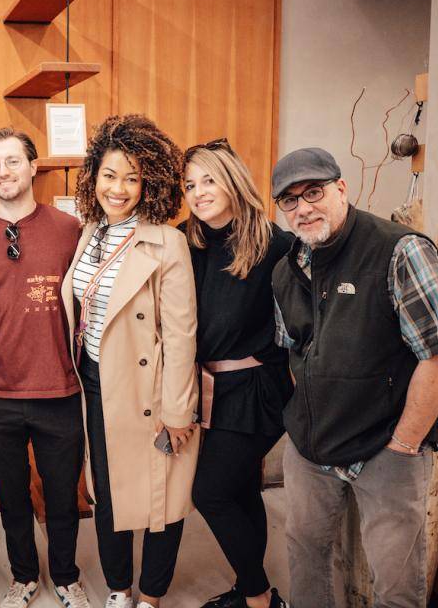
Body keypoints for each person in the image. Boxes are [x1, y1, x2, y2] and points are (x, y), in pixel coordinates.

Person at [270, 147, 438, 608]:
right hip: (312, 445)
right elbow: (297, 356)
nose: (303, 208)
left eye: (313, 192)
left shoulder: (401, 250)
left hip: (387, 447)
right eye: (290, 201)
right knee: (307, 558)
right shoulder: (285, 271)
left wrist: (403, 445)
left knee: (395, 582)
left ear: (341, 189)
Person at [61, 114, 199, 608]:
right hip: (96, 383)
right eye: (109, 175)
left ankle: (152, 595)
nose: (118, 189)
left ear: (151, 182)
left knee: (163, 497)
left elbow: (182, 333)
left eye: (132, 177)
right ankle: (119, 589)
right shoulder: (90, 233)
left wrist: (178, 409)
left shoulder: (167, 242)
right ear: (93, 177)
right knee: (108, 492)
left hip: (151, 390)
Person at [0, 127, 89, 608]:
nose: (3, 172)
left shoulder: (69, 229)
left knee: (61, 496)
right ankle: (25, 576)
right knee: (9, 497)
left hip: (59, 387)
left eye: (13, 161)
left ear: (33, 166)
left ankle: (67, 577)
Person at [181, 138, 291, 608]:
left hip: (256, 389)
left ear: (232, 180)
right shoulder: (189, 241)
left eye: (208, 180)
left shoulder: (275, 243)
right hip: (211, 388)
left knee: (210, 493)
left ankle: (260, 597)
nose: (199, 192)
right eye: (189, 185)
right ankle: (250, 592)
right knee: (243, 488)